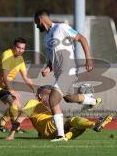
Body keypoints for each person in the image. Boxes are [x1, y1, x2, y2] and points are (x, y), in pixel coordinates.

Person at [34, 9, 101, 141]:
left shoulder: (62, 28)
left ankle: (60, 135)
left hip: (69, 70)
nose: (36, 25)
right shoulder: (46, 37)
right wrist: (48, 68)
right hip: (59, 74)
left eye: (36, 22)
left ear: (41, 19)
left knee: (53, 99)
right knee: (69, 98)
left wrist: (88, 58)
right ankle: (92, 100)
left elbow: (82, 38)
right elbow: (52, 59)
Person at [6, 85, 113, 140]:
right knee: (71, 120)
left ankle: (67, 137)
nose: (52, 97)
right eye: (49, 95)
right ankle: (95, 125)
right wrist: (11, 135)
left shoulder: (49, 107)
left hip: (48, 132)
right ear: (40, 96)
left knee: (80, 126)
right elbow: (20, 118)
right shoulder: (33, 102)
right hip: (49, 126)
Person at [0, 37, 36, 132]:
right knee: (13, 103)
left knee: (16, 105)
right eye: (18, 47)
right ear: (14, 47)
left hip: (4, 85)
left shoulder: (20, 59)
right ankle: (16, 127)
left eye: (23, 48)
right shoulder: (7, 55)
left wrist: (34, 88)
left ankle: (1, 124)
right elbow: (5, 77)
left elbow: (26, 77)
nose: (21, 50)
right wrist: (11, 90)